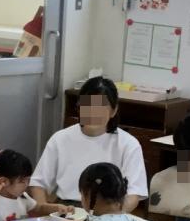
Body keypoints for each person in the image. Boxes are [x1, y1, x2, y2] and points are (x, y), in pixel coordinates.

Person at [30, 77, 148, 212]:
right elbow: (38, 183)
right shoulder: (60, 139)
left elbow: (134, 194)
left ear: (114, 110)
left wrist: (111, 215)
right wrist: (44, 209)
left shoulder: (129, 144)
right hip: (66, 210)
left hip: (109, 211)